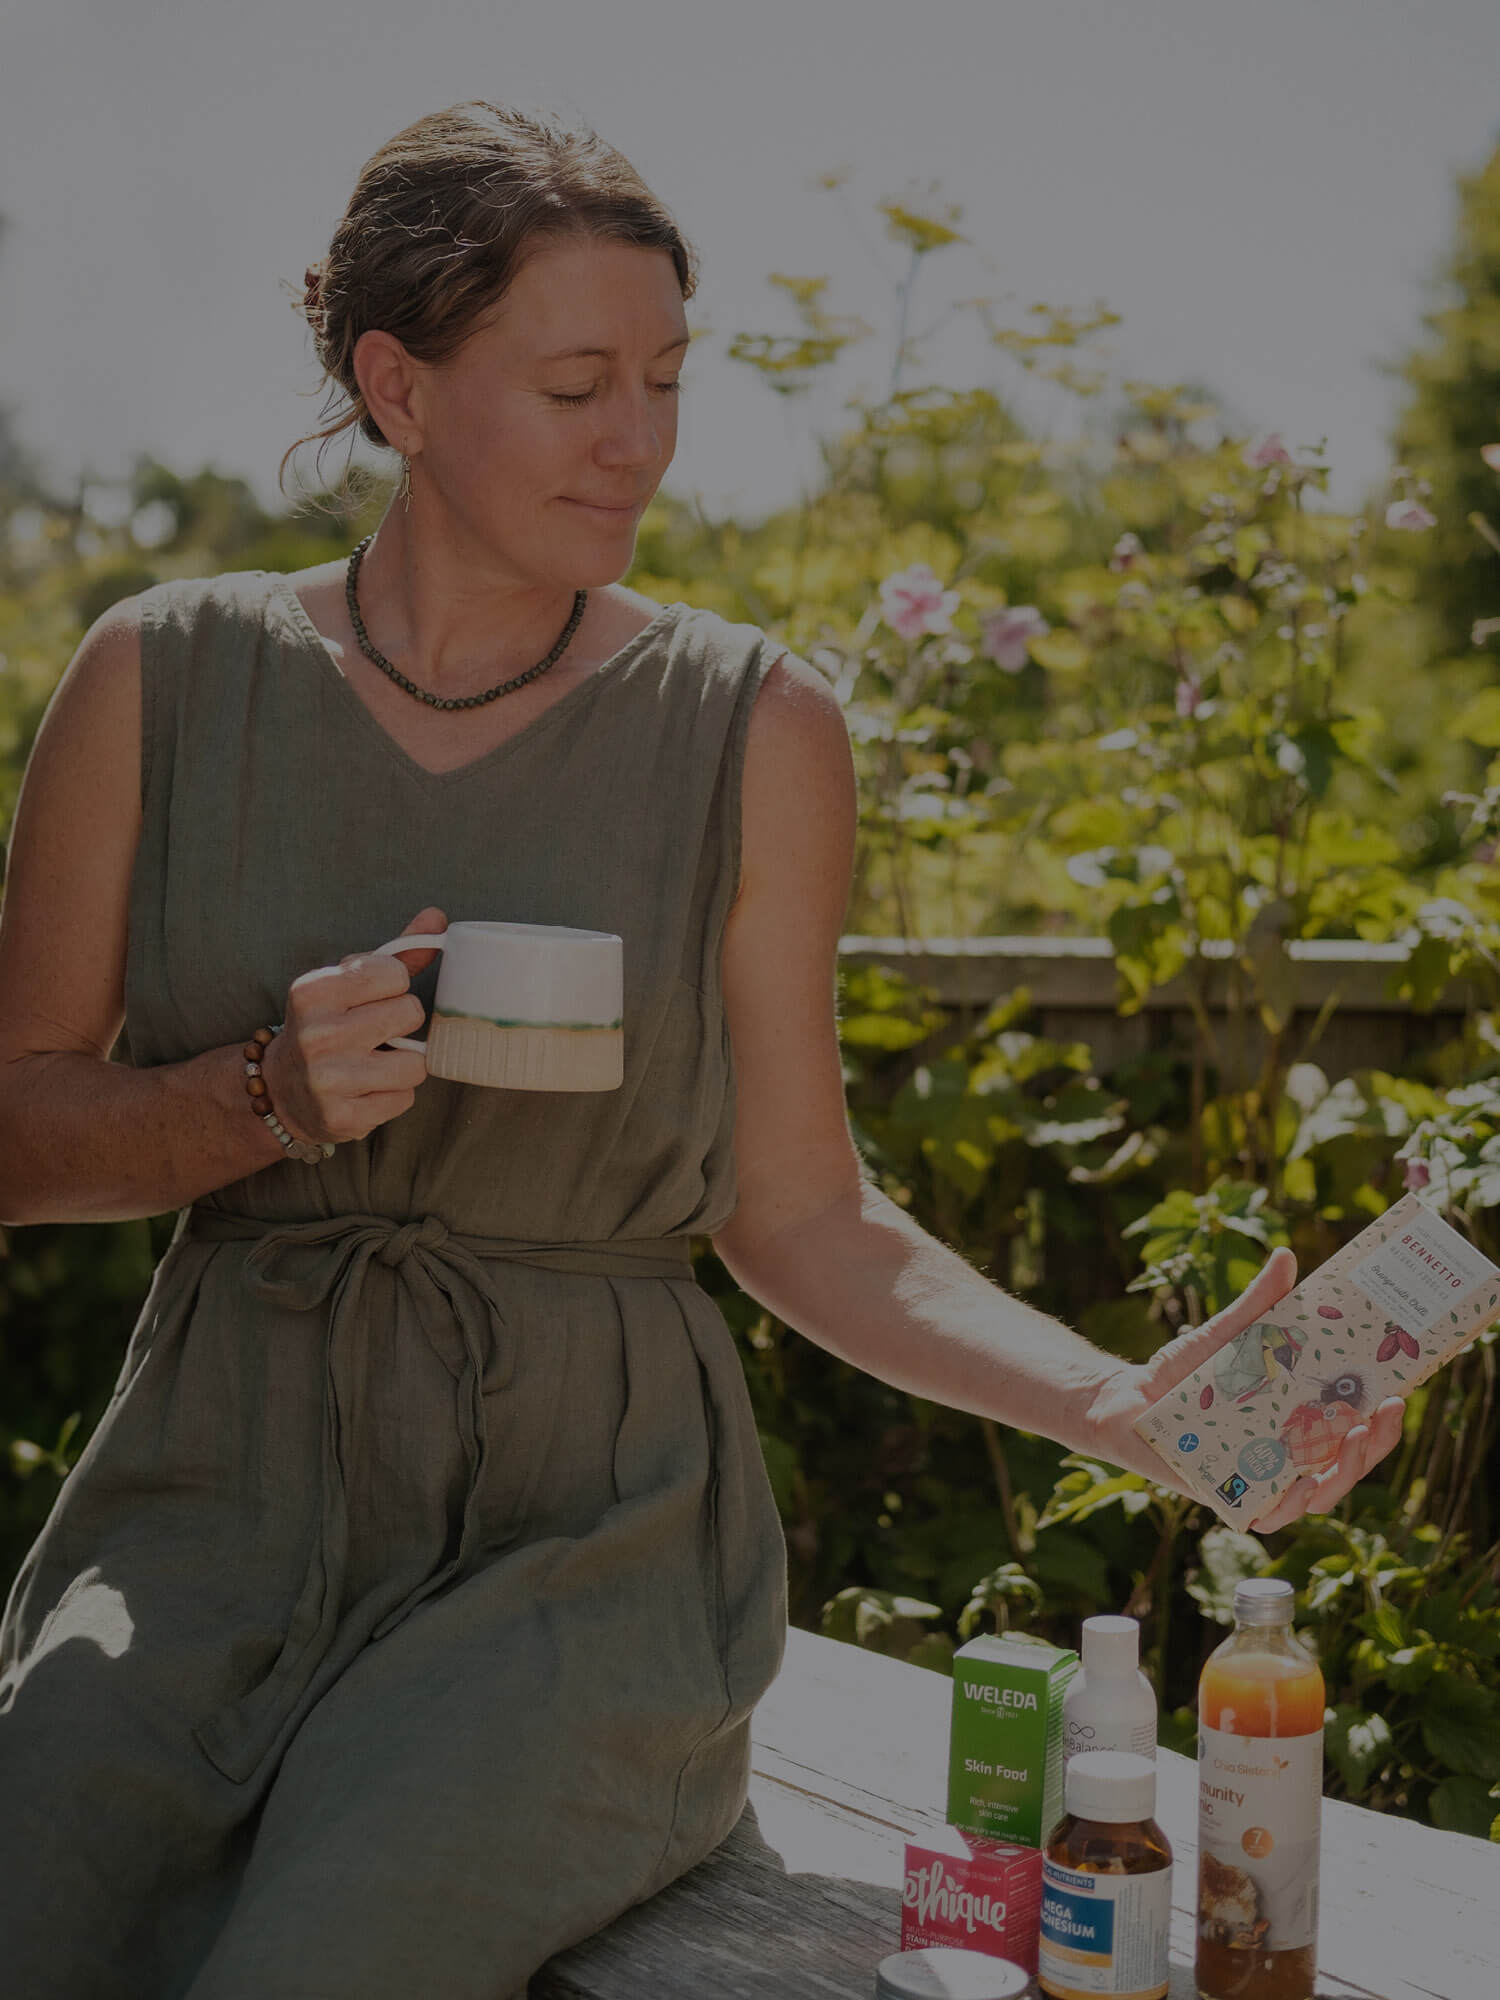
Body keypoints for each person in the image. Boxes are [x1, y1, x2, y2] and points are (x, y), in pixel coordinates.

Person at [0, 100, 1403, 2000]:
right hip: (216, 1504)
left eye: (665, 377)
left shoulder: (750, 723)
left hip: (583, 1548)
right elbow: (20, 1133)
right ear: (396, 389)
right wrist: (254, 1096)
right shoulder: (161, 679)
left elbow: (805, 1214)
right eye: (576, 383)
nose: (640, 440)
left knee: (326, 1956)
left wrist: (1125, 1407)